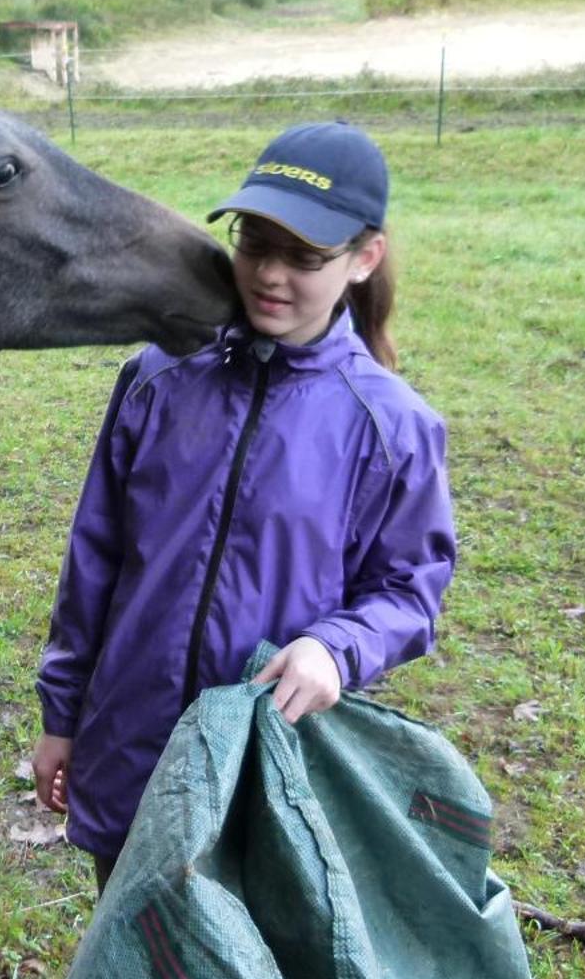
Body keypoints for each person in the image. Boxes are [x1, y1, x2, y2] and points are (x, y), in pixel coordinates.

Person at [30, 122, 456, 892]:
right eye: (255, 244)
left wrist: (338, 648)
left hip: (268, 765)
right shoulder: (157, 379)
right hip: (131, 747)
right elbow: (94, 560)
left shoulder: (392, 426)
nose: (270, 275)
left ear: (365, 259)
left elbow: (408, 592)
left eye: (305, 257)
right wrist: (62, 720)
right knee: (128, 960)